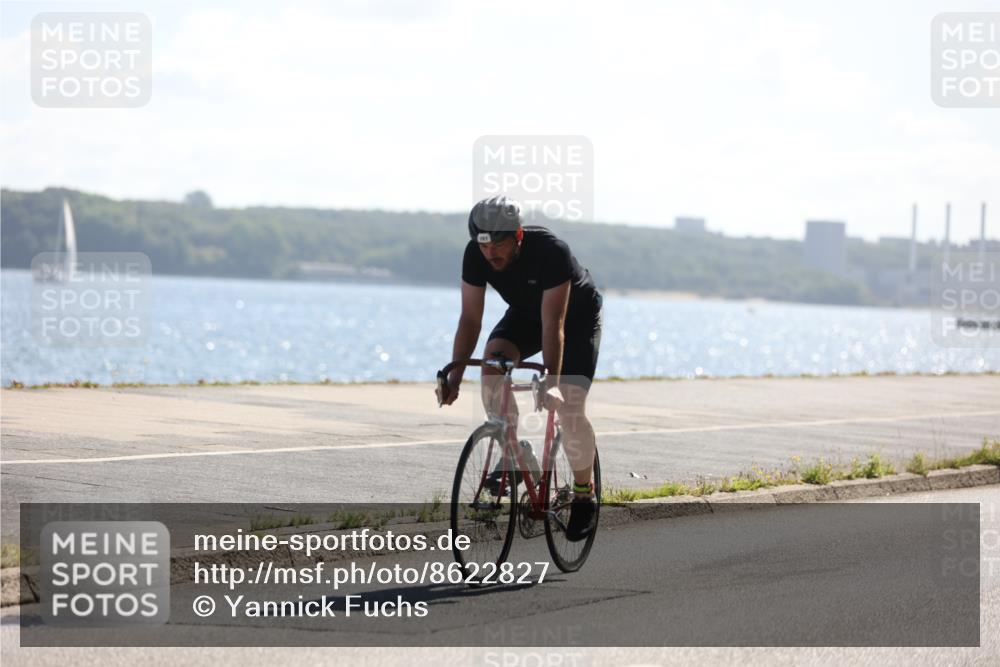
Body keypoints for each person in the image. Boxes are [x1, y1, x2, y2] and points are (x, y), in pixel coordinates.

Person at [440, 195, 603, 542]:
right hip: (527, 315)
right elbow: (470, 319)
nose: (489, 255)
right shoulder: (476, 254)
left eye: (497, 246)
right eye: (483, 247)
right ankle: (519, 457)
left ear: (517, 237)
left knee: (570, 406)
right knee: (491, 372)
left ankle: (584, 493)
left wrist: (553, 380)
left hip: (574, 320)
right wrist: (455, 375)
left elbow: (554, 325)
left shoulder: (551, 252)